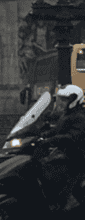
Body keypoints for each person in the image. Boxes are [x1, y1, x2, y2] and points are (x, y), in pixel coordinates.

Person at [34, 84, 85, 212]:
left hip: (76, 156)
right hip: (66, 152)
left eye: (65, 99)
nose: (61, 102)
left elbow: (72, 137)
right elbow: (57, 130)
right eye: (60, 99)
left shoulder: (79, 116)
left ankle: (65, 200)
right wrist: (41, 135)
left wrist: (51, 140)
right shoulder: (68, 114)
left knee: (50, 169)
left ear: (74, 100)